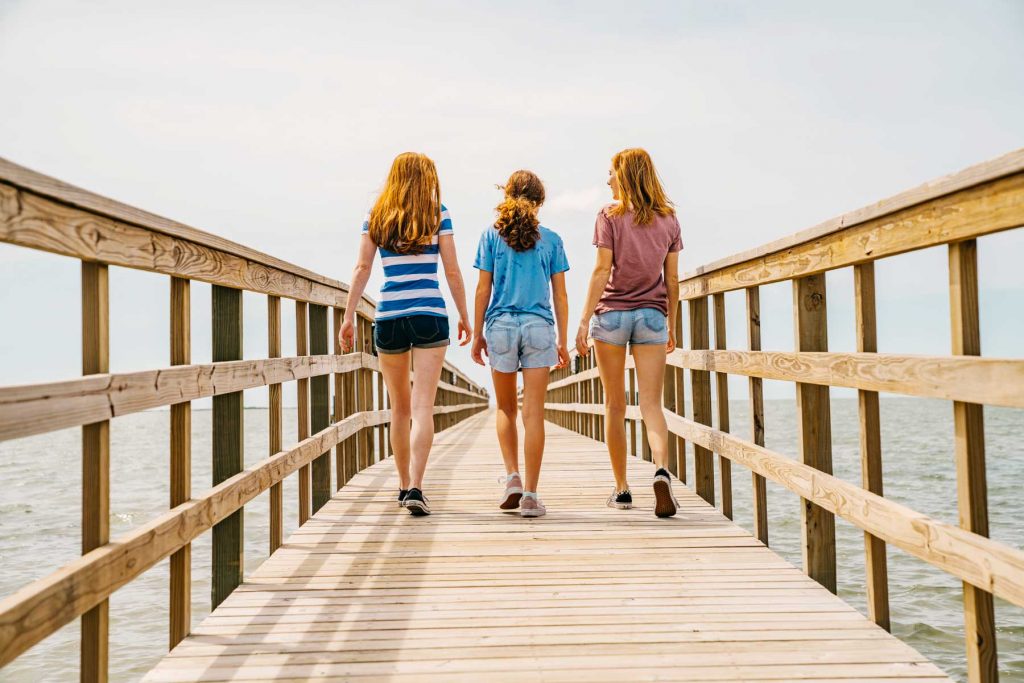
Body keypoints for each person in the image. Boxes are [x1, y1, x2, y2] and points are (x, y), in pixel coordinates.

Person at [339, 152, 471, 516]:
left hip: (391, 315)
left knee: (399, 408)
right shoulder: (438, 213)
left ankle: (401, 486)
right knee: (422, 406)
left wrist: (349, 315)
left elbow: (363, 266)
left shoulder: (376, 215)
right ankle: (416, 484)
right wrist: (464, 315)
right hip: (430, 312)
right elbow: (453, 271)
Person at [575, 148, 682, 518]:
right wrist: (672, 323)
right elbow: (672, 279)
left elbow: (602, 270)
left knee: (615, 406)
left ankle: (621, 488)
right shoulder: (669, 219)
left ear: (625, 176)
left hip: (613, 317)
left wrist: (583, 319)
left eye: (611, 173)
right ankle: (661, 470)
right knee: (652, 404)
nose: (607, 181)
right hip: (653, 316)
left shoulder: (609, 215)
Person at [471, 170, 569, 518]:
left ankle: (512, 476)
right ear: (539, 201)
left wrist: (477, 331)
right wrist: (561, 339)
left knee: (506, 409)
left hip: (500, 326)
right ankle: (530, 494)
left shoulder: (491, 236)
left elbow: (484, 289)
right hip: (539, 327)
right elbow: (560, 294)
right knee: (533, 414)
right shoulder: (552, 240)